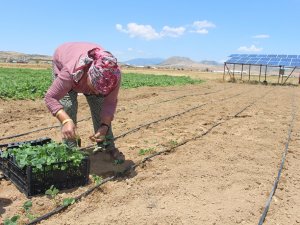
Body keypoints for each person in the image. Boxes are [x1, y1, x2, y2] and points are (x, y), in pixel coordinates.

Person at [45, 42, 124, 161]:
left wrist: (104, 125)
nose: (97, 93)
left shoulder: (113, 75)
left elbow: (110, 103)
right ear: (88, 76)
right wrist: (66, 120)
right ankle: (70, 148)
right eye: (95, 89)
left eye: (101, 91)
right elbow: (50, 97)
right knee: (68, 106)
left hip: (86, 73)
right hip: (65, 61)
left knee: (99, 105)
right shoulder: (70, 72)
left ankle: (106, 145)